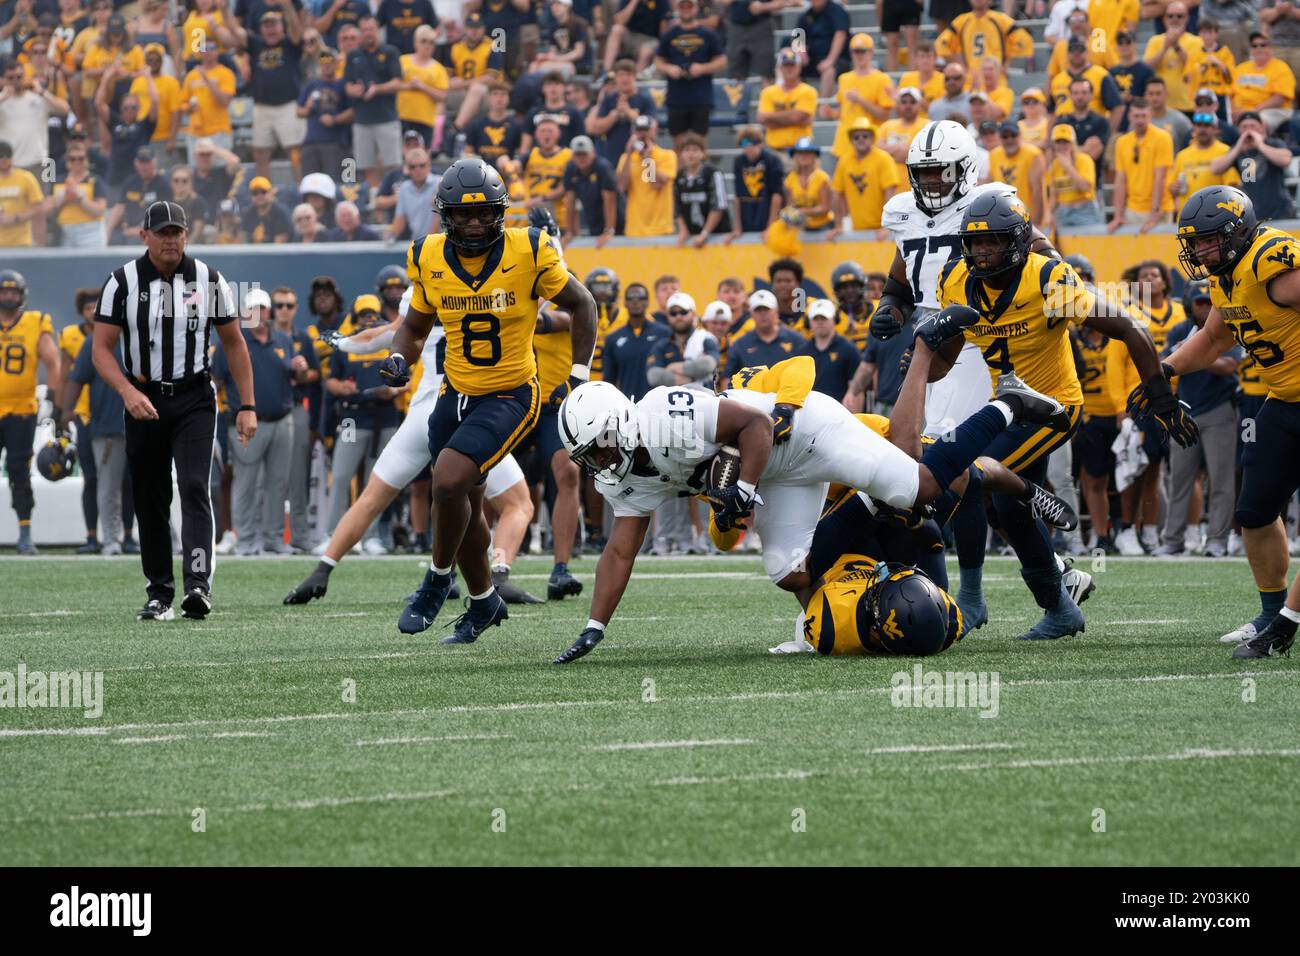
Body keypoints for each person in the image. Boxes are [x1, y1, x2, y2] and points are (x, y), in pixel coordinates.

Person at [551, 335, 1073, 662]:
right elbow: (620, 551)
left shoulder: (666, 413)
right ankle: (853, 557)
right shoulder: (623, 473)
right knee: (787, 568)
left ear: (620, 423)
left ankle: (1007, 405)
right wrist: (594, 628)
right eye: (586, 456)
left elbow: (755, 425)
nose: (597, 462)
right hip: (778, 475)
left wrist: (744, 490)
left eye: (597, 448)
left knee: (923, 488)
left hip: (807, 433)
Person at [926, 190, 1184, 641]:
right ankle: (1062, 609)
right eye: (976, 242)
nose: (983, 251)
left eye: (995, 241)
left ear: (1020, 241)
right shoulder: (955, 281)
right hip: (1004, 406)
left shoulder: (1047, 279)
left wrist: (1160, 400)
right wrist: (921, 362)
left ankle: (969, 600)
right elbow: (946, 360)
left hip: (1054, 407)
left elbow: (1131, 328)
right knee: (1011, 508)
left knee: (966, 473)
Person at [380, 158, 597, 640]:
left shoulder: (530, 249)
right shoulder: (428, 256)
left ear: (501, 213)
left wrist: (579, 377)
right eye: (463, 214)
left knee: (449, 481)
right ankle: (482, 602)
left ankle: (437, 580)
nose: (474, 223)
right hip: (454, 393)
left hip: (513, 394)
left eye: (483, 213)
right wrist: (400, 358)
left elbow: (583, 304)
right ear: (445, 215)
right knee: (464, 506)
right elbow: (413, 328)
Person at [92, 201, 256, 620]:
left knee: (194, 485)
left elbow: (235, 343)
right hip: (144, 397)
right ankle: (159, 592)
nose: (171, 239)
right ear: (144, 236)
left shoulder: (208, 279)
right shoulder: (122, 282)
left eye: (177, 232)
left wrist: (247, 405)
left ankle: (198, 586)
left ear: (187, 235)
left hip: (194, 397)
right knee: (149, 495)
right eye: (162, 232)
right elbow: (101, 350)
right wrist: (127, 391)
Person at [1161, 185, 1300, 658]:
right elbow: (1213, 340)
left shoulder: (1272, 260)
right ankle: (1271, 611)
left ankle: (1285, 626)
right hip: (1283, 401)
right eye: (1194, 243)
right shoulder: (1228, 274)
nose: (1200, 251)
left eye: (1208, 241)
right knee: (1254, 511)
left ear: (1238, 231)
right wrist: (1166, 371)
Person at [212, 287, 307, 555]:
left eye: (263, 309)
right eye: (253, 309)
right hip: (245, 423)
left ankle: (273, 539)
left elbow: (294, 378)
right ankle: (246, 541)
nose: (259, 314)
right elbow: (216, 380)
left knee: (278, 483)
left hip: (282, 420)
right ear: (244, 313)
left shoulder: (282, 340)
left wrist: (299, 369)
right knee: (246, 483)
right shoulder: (232, 341)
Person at [0, 270, 60, 555]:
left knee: (19, 472)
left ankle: (24, 533)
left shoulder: (36, 322)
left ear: (22, 295)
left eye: (14, 291)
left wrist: (54, 396)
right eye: (4, 291)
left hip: (21, 411)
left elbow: (53, 361)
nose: (8, 296)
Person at [342, 15, 403, 187]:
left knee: (393, 165)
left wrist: (376, 89)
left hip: (386, 117)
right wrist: (356, 90)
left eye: (371, 29)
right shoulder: (353, 55)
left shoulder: (390, 52)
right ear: (360, 33)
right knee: (367, 166)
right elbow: (347, 86)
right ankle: (374, 198)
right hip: (362, 119)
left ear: (378, 30)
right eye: (364, 30)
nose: (368, 33)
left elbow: (397, 82)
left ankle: (394, 198)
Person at [654, 0, 726, 145]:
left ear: (696, 8)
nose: (686, 10)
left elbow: (722, 61)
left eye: (689, 6)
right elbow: (658, 61)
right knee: (678, 143)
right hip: (676, 97)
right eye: (682, 6)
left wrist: (703, 68)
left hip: (701, 96)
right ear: (678, 9)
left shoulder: (708, 34)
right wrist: (669, 69)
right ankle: (680, 169)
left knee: (699, 142)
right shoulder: (669, 34)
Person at [1209, 110, 1296, 220]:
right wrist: (1238, 147)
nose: (1248, 130)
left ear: (1261, 127)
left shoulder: (1273, 143)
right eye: (1244, 127)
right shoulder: (1237, 150)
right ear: (1238, 130)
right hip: (1253, 213)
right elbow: (1215, 168)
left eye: (1252, 126)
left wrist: (1260, 145)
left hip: (1280, 211)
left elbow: (1286, 159)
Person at [1108, 98, 1175, 234]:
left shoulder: (1162, 138)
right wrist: (1118, 215)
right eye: (1136, 116)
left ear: (1150, 116)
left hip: (1159, 209)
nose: (1140, 120)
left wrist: (1154, 214)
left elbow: (1160, 178)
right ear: (1129, 116)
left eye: (1144, 116)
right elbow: (1120, 180)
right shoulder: (1122, 142)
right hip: (1132, 209)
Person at [827, 119, 899, 239]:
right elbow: (836, 193)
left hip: (882, 231)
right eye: (856, 137)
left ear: (872, 138)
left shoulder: (883, 159)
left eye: (865, 136)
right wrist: (838, 225)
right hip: (857, 228)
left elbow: (890, 193)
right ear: (851, 140)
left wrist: (888, 226)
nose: (861, 139)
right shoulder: (844, 161)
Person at [616, 114, 676, 236]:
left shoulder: (667, 155)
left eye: (646, 130)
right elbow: (622, 187)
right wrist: (628, 154)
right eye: (639, 130)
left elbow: (656, 185)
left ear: (654, 131)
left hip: (660, 227)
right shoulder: (625, 158)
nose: (643, 135)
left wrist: (647, 158)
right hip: (635, 228)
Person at [727, 124, 784, 242]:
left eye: (753, 143)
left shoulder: (772, 160)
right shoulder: (739, 161)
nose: (749, 147)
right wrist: (737, 227)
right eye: (744, 144)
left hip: (765, 211)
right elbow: (737, 197)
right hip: (747, 212)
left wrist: (770, 227)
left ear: (761, 143)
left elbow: (777, 195)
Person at [673, 132, 729, 246]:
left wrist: (704, 234)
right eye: (687, 150)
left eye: (695, 150)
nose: (691, 154)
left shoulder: (713, 174)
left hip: (717, 237)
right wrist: (683, 230)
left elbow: (718, 207)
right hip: (692, 237)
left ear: (703, 154)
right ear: (681, 154)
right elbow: (676, 208)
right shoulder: (678, 177)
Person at [562, 134, 619, 244]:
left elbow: (609, 199)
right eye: (578, 155)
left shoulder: (603, 167)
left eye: (584, 154)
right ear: (573, 156)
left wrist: (609, 230)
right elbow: (570, 201)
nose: (581, 158)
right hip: (593, 220)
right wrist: (569, 232)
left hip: (617, 222)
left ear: (592, 153)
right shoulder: (571, 169)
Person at [1043, 123, 1102, 229]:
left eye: (1065, 142)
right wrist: (1048, 213)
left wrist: (1068, 167)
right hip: (1064, 211)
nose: (1062, 146)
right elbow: (1054, 195)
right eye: (1058, 142)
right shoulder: (1055, 164)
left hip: (1085, 210)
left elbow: (1085, 187)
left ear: (1072, 143)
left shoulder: (1084, 160)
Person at [757, 49, 817, 150]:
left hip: (801, 151)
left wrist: (772, 118)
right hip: (775, 149)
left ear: (799, 67)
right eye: (786, 66)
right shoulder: (768, 92)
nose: (789, 69)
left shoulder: (808, 91)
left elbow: (797, 117)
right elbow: (762, 119)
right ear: (780, 68)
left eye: (792, 65)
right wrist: (795, 118)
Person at [802, 297, 860, 401]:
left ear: (835, 319)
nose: (820, 322)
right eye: (816, 318)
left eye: (824, 318)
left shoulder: (849, 349)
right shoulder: (802, 351)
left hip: (839, 412)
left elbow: (856, 389)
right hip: (809, 411)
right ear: (809, 322)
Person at [0, 139, 47, 248]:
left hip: (21, 243)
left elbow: (39, 208)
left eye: (7, 155)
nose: (4, 159)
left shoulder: (26, 178)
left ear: (12, 157)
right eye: (0, 155)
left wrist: (16, 218)